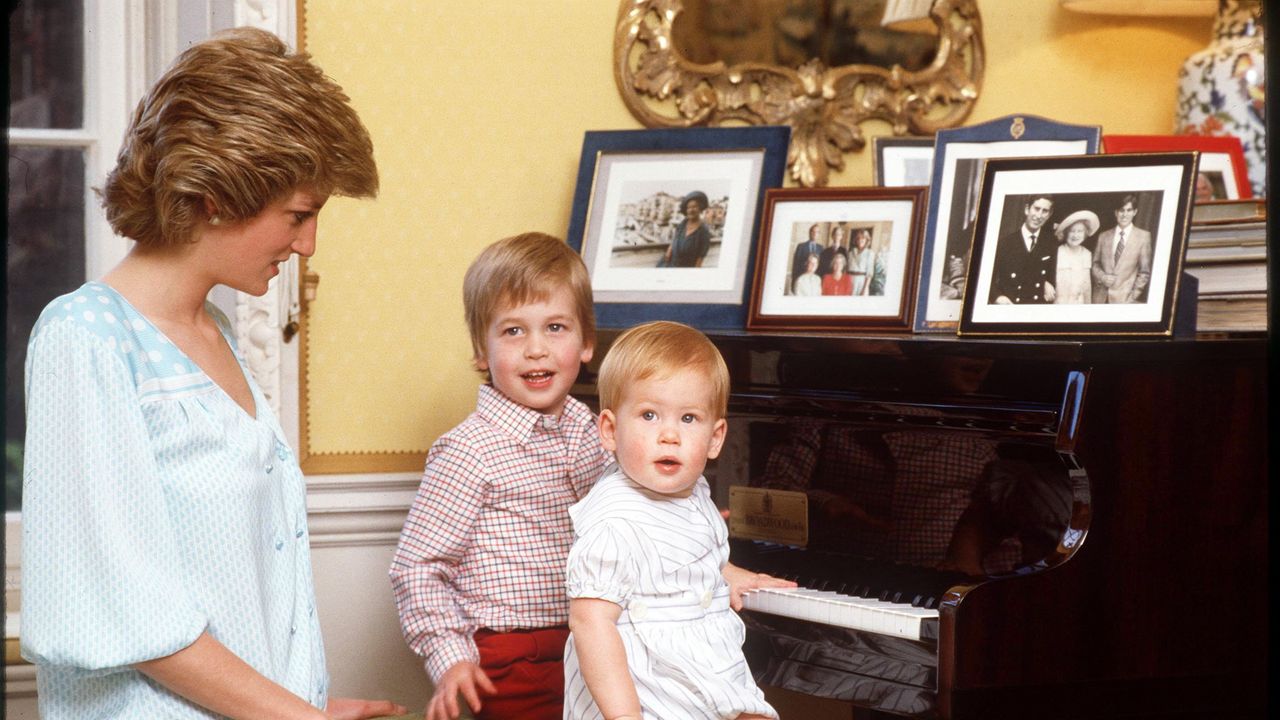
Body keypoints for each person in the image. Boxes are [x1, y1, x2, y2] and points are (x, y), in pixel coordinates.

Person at [19, 28, 406, 720]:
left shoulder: (217, 334)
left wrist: (312, 703)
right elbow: (136, 619)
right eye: (298, 214)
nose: (309, 243)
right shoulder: (85, 341)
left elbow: (231, 593)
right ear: (218, 194)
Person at [389, 235, 788, 720]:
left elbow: (641, 533)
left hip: (612, 640)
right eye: (513, 331)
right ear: (480, 348)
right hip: (517, 656)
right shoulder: (467, 451)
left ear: (586, 343)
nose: (536, 349)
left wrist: (719, 569)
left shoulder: (602, 429)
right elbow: (418, 568)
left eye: (555, 327)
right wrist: (451, 657)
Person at [563, 321, 779, 720]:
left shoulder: (694, 493)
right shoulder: (615, 523)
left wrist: (725, 572)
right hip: (641, 688)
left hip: (705, 670)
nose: (669, 435)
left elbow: (685, 555)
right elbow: (590, 623)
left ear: (715, 438)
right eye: (648, 415)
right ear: (610, 430)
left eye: (688, 419)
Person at [989, 195, 1057, 305]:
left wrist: (1046, 282)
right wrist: (998, 297)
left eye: (1045, 211)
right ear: (1027, 209)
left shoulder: (1050, 244)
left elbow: (1052, 276)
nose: (1039, 215)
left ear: (1049, 215)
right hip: (1010, 306)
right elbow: (987, 280)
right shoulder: (1004, 243)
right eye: (1036, 208)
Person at [1091, 194, 1152, 304]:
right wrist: (1103, 277)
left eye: (1129, 210)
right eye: (1121, 210)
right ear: (1116, 213)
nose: (1124, 215)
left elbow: (1144, 273)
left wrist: (1131, 298)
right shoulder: (1103, 236)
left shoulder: (1143, 237)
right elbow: (1095, 264)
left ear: (1135, 212)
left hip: (1124, 300)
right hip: (1099, 299)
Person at [1052, 210, 1098, 305]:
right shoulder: (1058, 252)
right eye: (1072, 231)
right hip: (1059, 302)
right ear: (1065, 233)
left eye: (1080, 231)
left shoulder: (1086, 254)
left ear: (1085, 233)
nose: (1075, 235)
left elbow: (1087, 285)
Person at [659, 191, 713, 267]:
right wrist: (669, 250)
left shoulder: (704, 231)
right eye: (688, 208)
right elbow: (675, 238)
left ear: (700, 208)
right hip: (669, 263)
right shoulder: (682, 224)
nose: (691, 210)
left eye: (694, 207)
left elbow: (700, 257)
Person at [846, 228, 887, 296]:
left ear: (867, 240)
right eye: (858, 238)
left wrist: (865, 288)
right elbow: (847, 269)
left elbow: (869, 273)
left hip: (861, 281)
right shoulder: (851, 253)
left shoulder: (870, 253)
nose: (860, 240)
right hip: (850, 280)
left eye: (863, 238)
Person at [790, 223, 825, 290]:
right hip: (802, 280)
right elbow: (795, 265)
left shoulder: (821, 248)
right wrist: (793, 282)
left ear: (819, 234)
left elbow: (821, 267)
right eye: (813, 231)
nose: (815, 234)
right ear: (810, 233)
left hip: (814, 281)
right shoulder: (801, 246)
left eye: (817, 232)